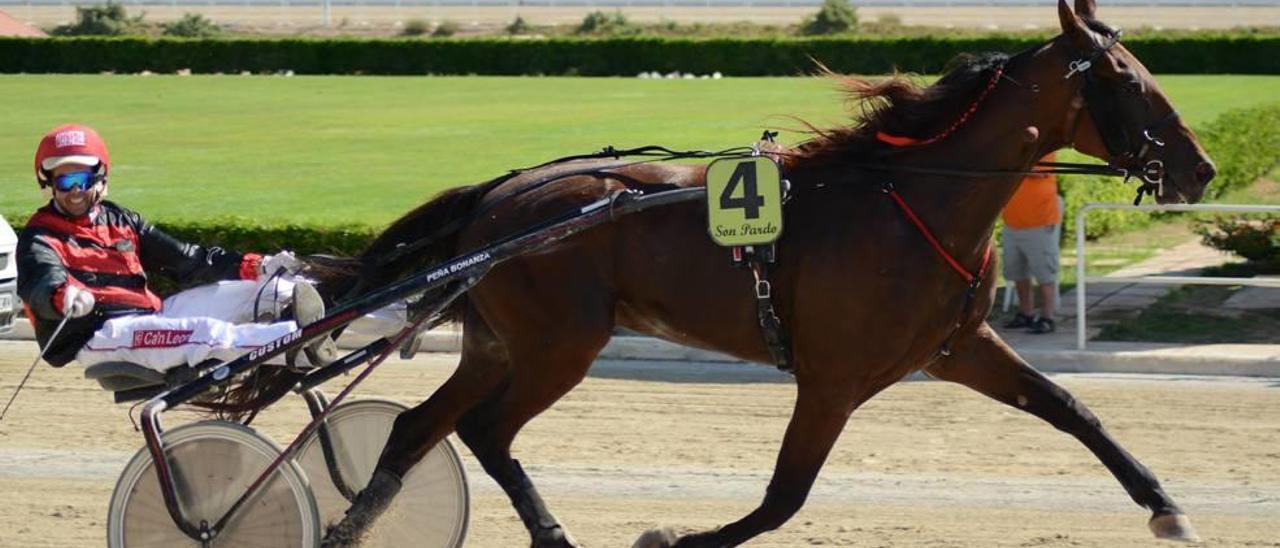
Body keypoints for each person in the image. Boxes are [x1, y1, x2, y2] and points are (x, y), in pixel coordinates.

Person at [17, 123, 338, 373]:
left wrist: (257, 266)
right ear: (49, 183)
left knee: (272, 289)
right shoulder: (39, 237)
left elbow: (188, 260)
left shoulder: (122, 219)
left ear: (100, 178)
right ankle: (300, 345)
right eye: (64, 181)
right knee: (206, 333)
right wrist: (63, 295)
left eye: (81, 180)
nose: (74, 192)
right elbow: (41, 280)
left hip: (153, 316)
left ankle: (328, 322)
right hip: (102, 335)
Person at [1001, 152, 1063, 334]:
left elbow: (1038, 172)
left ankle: (1047, 317)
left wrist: (1011, 164)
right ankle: (1025, 313)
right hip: (1012, 223)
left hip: (1040, 223)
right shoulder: (1013, 149)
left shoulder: (1046, 149)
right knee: (1017, 273)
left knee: (1045, 274)